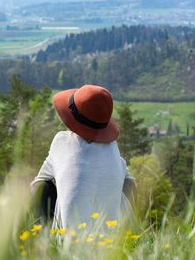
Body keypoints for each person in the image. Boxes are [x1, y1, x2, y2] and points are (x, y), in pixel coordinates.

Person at [31, 85, 136, 229]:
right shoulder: (112, 147)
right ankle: (130, 236)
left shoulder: (60, 141)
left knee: (41, 187)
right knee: (127, 183)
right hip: (112, 245)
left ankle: (44, 241)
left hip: (67, 240)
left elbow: (38, 184)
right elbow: (131, 186)